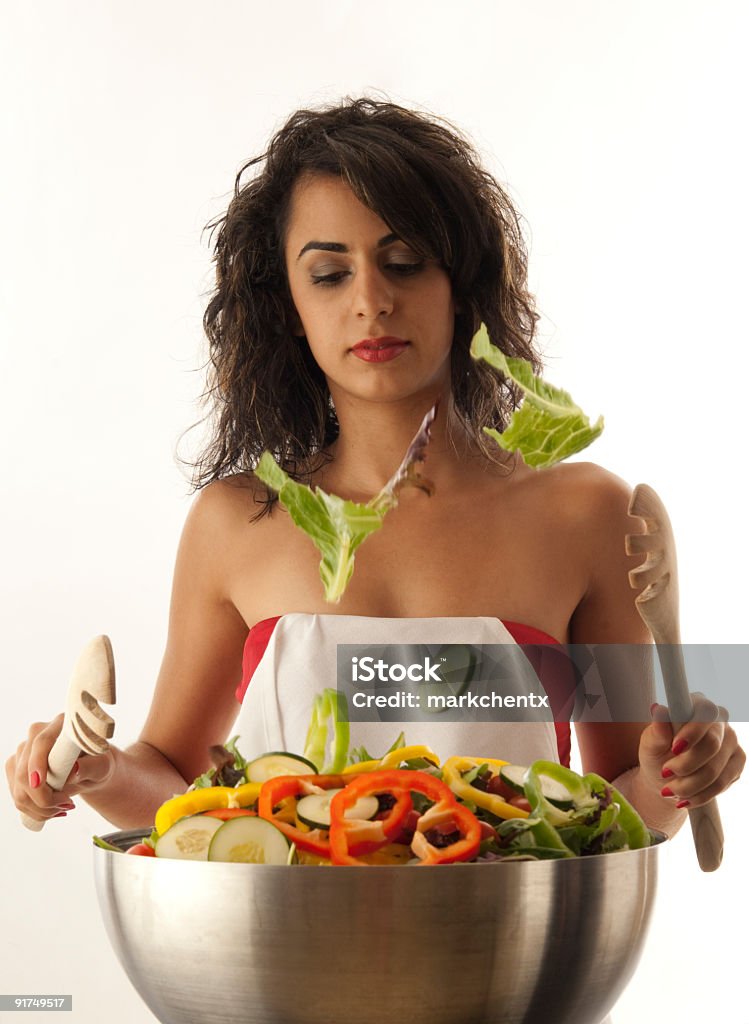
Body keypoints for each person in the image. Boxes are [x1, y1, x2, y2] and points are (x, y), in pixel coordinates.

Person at [6, 97, 744, 833]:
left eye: (403, 262)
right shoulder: (234, 523)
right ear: (287, 304)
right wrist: (94, 769)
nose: (371, 301)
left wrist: (671, 777)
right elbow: (172, 781)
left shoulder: (584, 515)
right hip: (283, 946)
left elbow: (619, 806)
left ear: (461, 283)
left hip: (505, 943)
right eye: (328, 274)